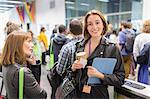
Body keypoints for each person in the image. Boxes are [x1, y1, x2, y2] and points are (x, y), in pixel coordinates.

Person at [58, 10, 125, 99]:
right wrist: (73, 68)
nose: (94, 27)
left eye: (97, 23)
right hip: (77, 94)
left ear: (103, 25)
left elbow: (120, 78)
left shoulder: (112, 48)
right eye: (90, 24)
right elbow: (69, 74)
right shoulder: (79, 46)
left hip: (98, 95)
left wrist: (100, 75)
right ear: (86, 27)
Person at [1, 32, 47, 99]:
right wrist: (34, 66)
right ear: (18, 45)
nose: (32, 45)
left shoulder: (6, 65)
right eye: (29, 42)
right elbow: (41, 95)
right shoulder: (22, 72)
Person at [53, 19, 83, 99]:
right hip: (86, 86)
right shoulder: (89, 45)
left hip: (70, 87)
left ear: (69, 30)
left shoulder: (67, 48)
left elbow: (60, 70)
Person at [133, 19, 150, 84]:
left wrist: (138, 61)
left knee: (142, 85)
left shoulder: (139, 37)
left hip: (142, 65)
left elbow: (135, 52)